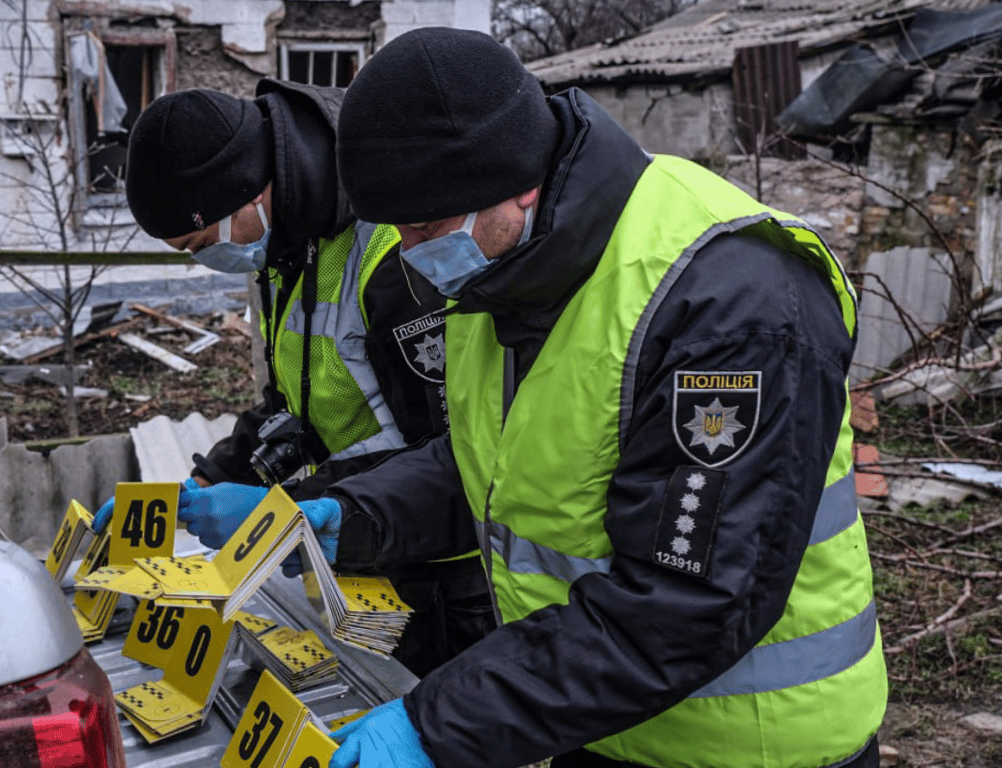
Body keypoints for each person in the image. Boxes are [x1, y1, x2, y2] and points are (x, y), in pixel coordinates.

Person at [185, 26, 888, 768]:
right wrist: (340, 516)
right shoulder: (504, 273)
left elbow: (689, 601)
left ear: (517, 179)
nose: (413, 252)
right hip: (600, 727)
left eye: (424, 227)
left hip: (755, 746)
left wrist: (440, 724)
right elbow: (486, 470)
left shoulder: (728, 297)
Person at [104, 78, 493, 676]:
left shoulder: (394, 255)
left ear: (246, 193)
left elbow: (457, 456)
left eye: (201, 243)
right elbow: (297, 404)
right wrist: (208, 481)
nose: (205, 260)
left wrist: (280, 509)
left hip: (449, 577)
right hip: (358, 542)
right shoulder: (291, 243)